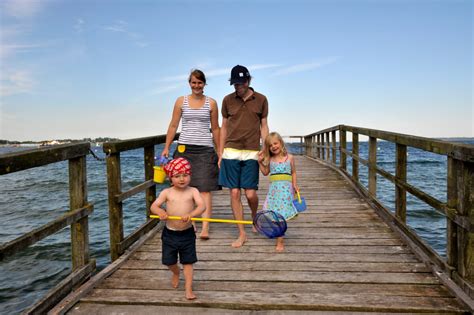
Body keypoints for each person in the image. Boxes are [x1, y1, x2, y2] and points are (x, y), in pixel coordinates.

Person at [161, 69, 220, 240]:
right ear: (189, 83)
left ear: (204, 84)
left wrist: (219, 150)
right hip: (184, 149)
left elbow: (215, 128)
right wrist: (166, 147)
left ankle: (205, 226)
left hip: (205, 149)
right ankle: (191, 223)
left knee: (205, 189)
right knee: (185, 187)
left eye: (200, 83)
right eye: (194, 82)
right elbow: (173, 126)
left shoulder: (212, 103)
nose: (196, 86)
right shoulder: (181, 101)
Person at [219, 65, 269, 248]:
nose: (237, 87)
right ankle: (242, 233)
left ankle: (254, 216)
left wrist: (266, 149)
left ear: (248, 81)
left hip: (252, 150)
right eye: (235, 84)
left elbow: (264, 126)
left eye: (240, 84)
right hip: (231, 150)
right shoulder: (227, 100)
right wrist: (220, 151)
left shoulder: (262, 100)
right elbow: (223, 127)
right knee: (233, 192)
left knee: (250, 194)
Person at [150, 157, 205, 300]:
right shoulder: (167, 193)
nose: (182, 179)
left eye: (185, 175)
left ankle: (188, 289)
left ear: (190, 175)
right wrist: (161, 212)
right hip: (170, 234)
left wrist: (191, 215)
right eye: (177, 176)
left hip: (187, 234)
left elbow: (202, 206)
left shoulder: (193, 191)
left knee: (188, 262)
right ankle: (175, 272)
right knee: (169, 262)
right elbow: (154, 206)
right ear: (170, 178)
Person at [258, 132, 299, 252]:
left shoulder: (290, 158)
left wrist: (295, 185)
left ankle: (280, 241)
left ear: (281, 143)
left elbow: (293, 172)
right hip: (274, 193)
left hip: (286, 192)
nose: (273, 146)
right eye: (270, 145)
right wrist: (260, 162)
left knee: (281, 217)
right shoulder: (270, 159)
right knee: (275, 216)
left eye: (275, 143)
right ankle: (279, 236)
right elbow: (265, 172)